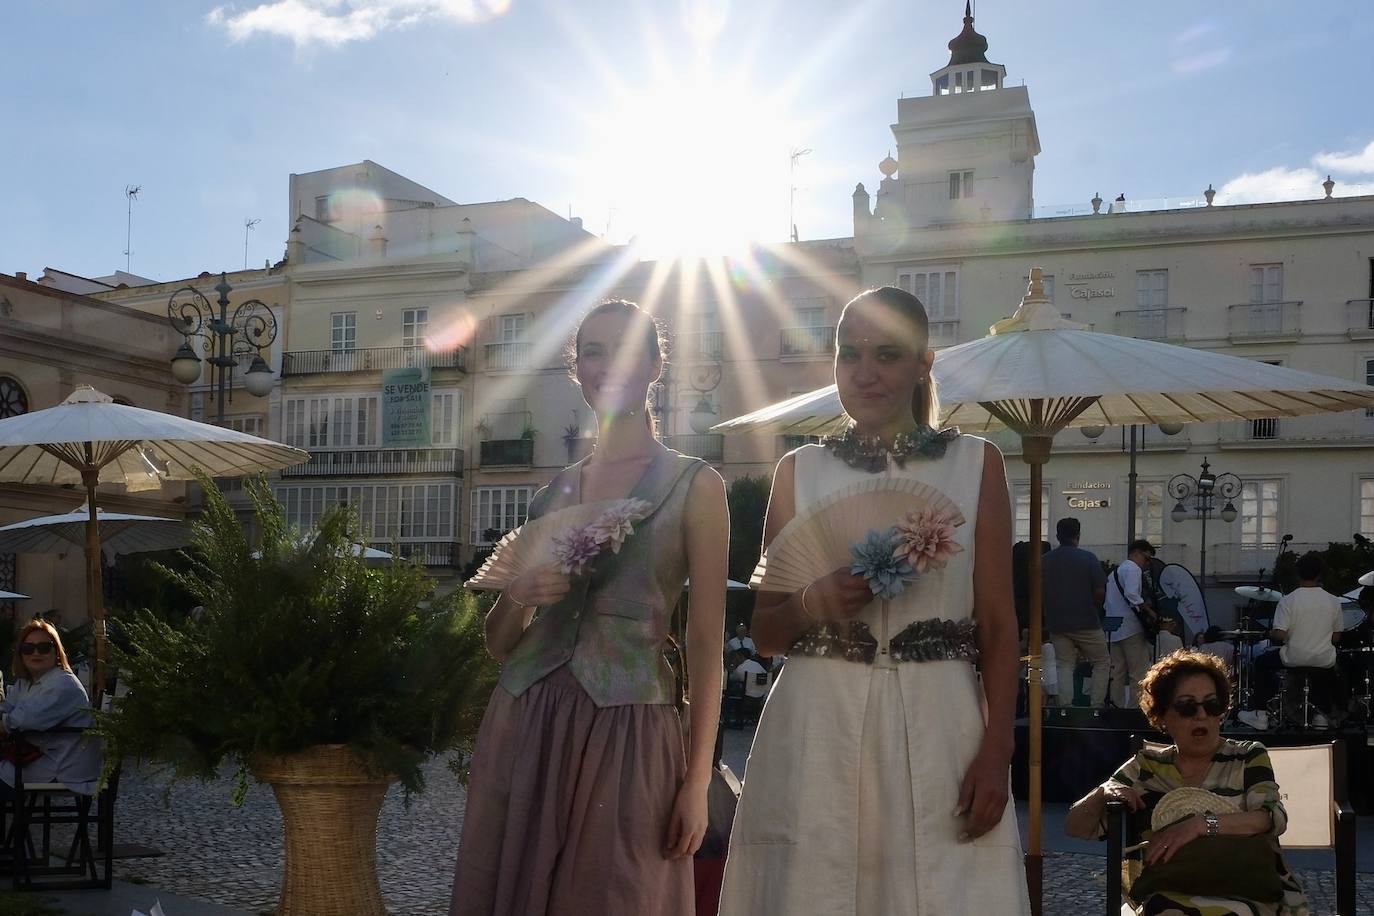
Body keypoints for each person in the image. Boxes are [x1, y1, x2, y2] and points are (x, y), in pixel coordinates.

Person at [719, 286, 1029, 914]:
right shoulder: (798, 471)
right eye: (849, 354)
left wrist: (998, 751)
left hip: (942, 719)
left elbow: (999, 624)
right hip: (815, 720)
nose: (865, 373)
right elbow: (768, 632)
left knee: (944, 887)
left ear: (924, 363)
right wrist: (814, 599)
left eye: (887, 355)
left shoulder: (978, 465)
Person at [449, 300, 729, 916]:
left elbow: (708, 640)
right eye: (594, 351)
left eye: (627, 349)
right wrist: (516, 597)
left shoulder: (696, 485)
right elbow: (500, 646)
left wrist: (698, 779)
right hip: (528, 718)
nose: (610, 365)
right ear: (578, 369)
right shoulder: (554, 491)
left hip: (630, 729)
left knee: (618, 894)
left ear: (657, 363)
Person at [1066, 650, 1309, 915]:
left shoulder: (1248, 755)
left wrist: (1201, 824)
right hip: (1171, 887)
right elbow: (1076, 827)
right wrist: (1103, 792)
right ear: (1161, 716)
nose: (1201, 715)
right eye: (1187, 707)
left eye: (1212, 705)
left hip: (1244, 886)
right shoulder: (1147, 765)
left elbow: (1270, 817)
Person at [0, 619, 100, 795]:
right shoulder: (25, 683)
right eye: (28, 648)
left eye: (44, 647)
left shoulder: (63, 684)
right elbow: (7, 709)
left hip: (63, 767)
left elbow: (22, 720)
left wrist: (5, 722)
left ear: (56, 651)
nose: (35, 653)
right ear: (21, 654)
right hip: (35, 759)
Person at [1245, 552, 1343, 730]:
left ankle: (1260, 713)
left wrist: (1272, 633)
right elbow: (1336, 637)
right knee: (1323, 667)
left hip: (1294, 657)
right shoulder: (1333, 601)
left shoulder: (1288, 600)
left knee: (1261, 662)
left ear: (1298, 574)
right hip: (1324, 659)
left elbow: (1280, 636)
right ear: (1320, 574)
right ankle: (1320, 715)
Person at [1041, 517, 1109, 706]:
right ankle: (1096, 706)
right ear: (1078, 535)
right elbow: (1099, 590)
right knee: (1101, 662)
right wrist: (1092, 606)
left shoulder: (1045, 561)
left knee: (1064, 664)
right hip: (1086, 620)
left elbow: (1037, 592)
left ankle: (1065, 706)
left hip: (1057, 622)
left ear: (1057, 536)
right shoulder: (1088, 558)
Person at [1105, 540, 1160, 708]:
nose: (1147, 563)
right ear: (1136, 553)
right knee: (1138, 671)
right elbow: (1132, 595)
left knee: (1117, 671)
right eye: (1147, 558)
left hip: (1113, 629)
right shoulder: (1133, 569)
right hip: (1131, 627)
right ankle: (1136, 707)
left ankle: (1116, 705)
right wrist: (1150, 611)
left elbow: (1106, 604)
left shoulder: (1114, 573)